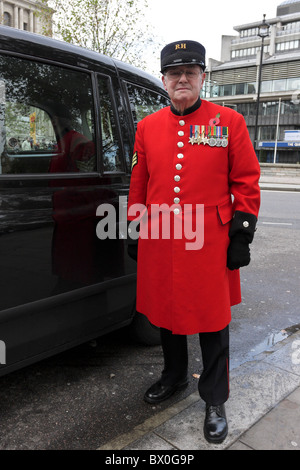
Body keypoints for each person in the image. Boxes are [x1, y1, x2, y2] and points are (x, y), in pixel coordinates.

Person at [127, 40, 260, 444]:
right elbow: (139, 183)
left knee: (213, 321)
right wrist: (135, 225)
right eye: (174, 73)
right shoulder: (147, 127)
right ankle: (174, 376)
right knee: (166, 314)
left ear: (203, 76)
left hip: (210, 244)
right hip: (162, 238)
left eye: (190, 71)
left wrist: (241, 234)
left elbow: (247, 181)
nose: (182, 78)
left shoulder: (229, 122)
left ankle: (215, 398)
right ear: (164, 81)